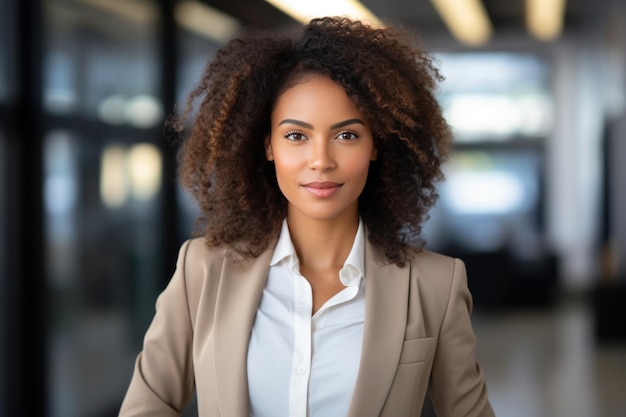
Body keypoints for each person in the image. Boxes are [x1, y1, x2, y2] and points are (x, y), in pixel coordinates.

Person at [119, 16, 494, 417]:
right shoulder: (203, 271)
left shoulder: (434, 285)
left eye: (346, 135)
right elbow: (147, 406)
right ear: (267, 146)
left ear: (375, 145)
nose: (320, 161)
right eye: (296, 136)